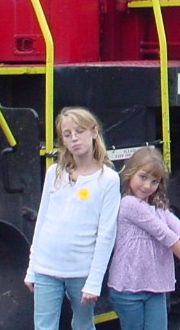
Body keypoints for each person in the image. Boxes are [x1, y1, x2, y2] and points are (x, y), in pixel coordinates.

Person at [25, 107, 120, 330]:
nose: (74, 138)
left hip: (81, 270)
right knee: (44, 326)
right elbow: (42, 223)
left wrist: (95, 281)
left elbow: (106, 234)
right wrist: (32, 267)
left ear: (94, 133)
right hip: (47, 266)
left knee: (83, 325)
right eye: (67, 135)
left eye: (80, 131)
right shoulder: (54, 173)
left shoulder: (108, 179)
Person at [108, 146, 180, 330]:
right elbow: (165, 235)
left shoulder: (156, 206)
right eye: (143, 177)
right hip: (128, 286)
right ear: (130, 173)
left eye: (154, 181)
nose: (148, 186)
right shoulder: (129, 204)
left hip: (154, 286)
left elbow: (178, 228)